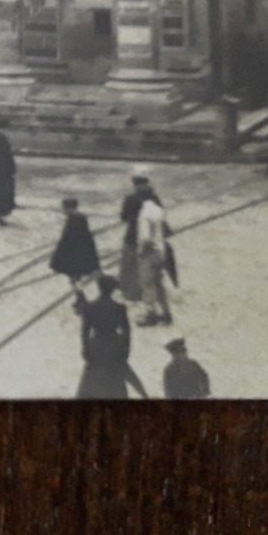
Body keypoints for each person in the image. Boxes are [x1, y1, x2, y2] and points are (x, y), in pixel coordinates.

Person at [76, 275, 148, 399]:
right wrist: (125, 350)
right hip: (115, 345)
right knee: (118, 381)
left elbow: (85, 331)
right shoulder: (119, 308)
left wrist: (86, 350)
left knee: (89, 381)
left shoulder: (90, 308)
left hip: (96, 345)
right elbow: (127, 331)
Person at [136, 183, 173, 327]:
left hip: (149, 253)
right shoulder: (158, 210)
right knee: (159, 284)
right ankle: (166, 313)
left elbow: (145, 238)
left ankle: (150, 315)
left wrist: (141, 252)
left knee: (148, 285)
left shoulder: (144, 213)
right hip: (161, 251)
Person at [49, 197, 101, 286]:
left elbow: (68, 236)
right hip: (83, 248)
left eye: (64, 208)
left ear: (67, 208)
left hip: (74, 250)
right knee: (77, 271)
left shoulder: (72, 219)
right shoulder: (80, 217)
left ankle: (77, 287)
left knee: (73, 271)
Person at [118, 168, 151, 302]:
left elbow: (124, 217)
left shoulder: (130, 199)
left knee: (129, 264)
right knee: (144, 265)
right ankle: (143, 292)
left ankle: (130, 292)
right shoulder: (153, 198)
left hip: (133, 235)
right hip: (149, 236)